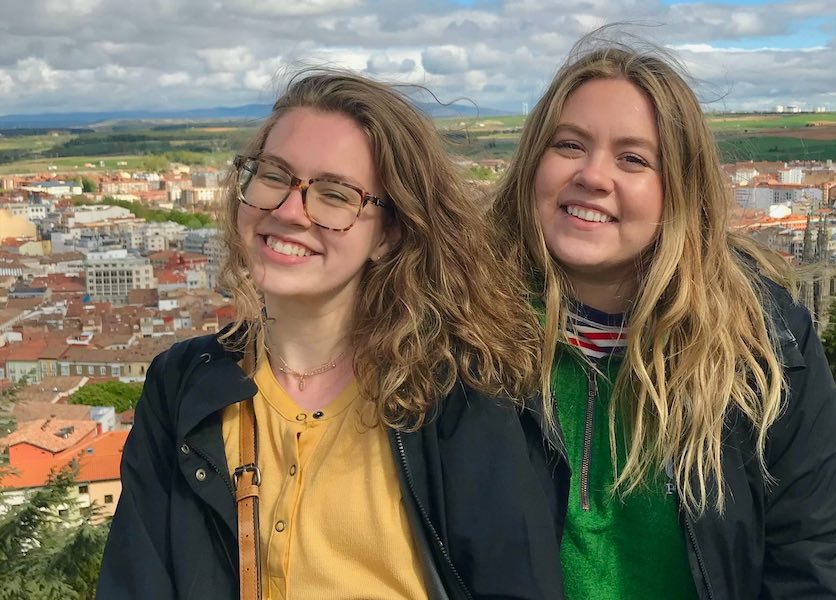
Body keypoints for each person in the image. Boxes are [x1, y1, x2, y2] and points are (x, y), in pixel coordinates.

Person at [98, 70, 566, 600]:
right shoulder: (181, 385)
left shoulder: (461, 396)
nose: (291, 211)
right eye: (274, 176)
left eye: (335, 195)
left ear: (388, 234)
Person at [491, 32, 836, 599]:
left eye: (633, 158)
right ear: (532, 163)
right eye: (569, 145)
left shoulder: (764, 339)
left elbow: (822, 549)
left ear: (679, 189)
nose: (594, 176)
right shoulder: (461, 330)